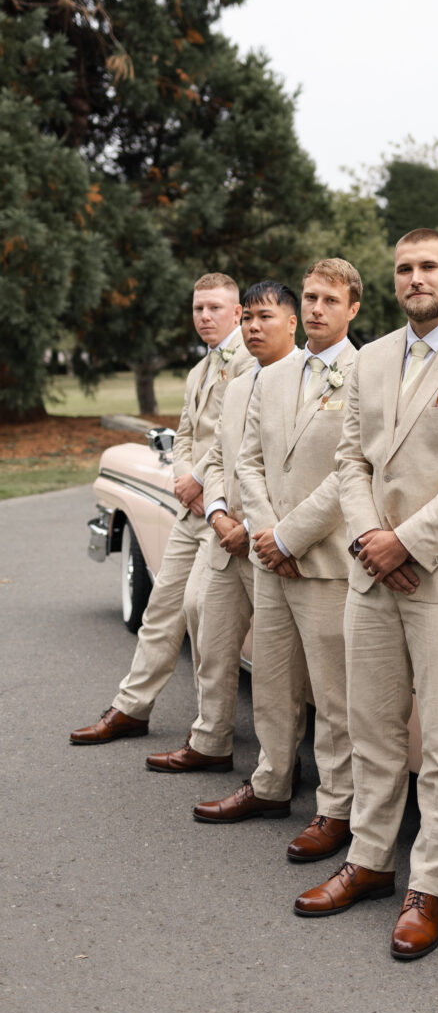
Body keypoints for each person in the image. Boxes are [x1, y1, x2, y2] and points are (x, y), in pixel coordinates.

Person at [294, 229, 438, 960]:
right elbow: (350, 460)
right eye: (403, 269)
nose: (415, 278)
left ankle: (428, 887)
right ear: (392, 282)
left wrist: (410, 544)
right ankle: (368, 862)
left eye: (428, 266)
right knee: (371, 729)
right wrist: (372, 541)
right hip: (373, 571)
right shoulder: (367, 360)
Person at [193, 259, 361, 867]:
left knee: (333, 696)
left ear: (352, 310)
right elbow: (248, 461)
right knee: (271, 682)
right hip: (272, 557)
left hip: (325, 560)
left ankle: (337, 808)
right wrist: (268, 536)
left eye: (328, 300)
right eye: (311, 296)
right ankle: (269, 783)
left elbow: (352, 473)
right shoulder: (273, 376)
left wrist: (289, 538)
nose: (317, 308)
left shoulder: (364, 372)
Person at [70, 273, 251, 749]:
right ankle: (131, 708)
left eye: (215, 308)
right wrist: (184, 475)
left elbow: (240, 438)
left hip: (227, 511)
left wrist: (199, 479)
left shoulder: (254, 361)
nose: (205, 316)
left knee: (202, 615)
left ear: (237, 312)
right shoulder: (198, 371)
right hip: (192, 508)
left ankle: (211, 732)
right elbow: (187, 434)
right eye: (198, 309)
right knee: (161, 609)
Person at [144, 281, 299, 773]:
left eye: (262, 317)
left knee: (278, 664)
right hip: (219, 525)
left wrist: (247, 524)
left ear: (290, 323)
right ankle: (211, 742)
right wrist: (214, 511)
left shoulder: (297, 377)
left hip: (269, 537)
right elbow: (215, 451)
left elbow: (295, 470)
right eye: (248, 319)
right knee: (208, 634)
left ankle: (281, 765)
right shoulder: (228, 380)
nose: (253, 327)